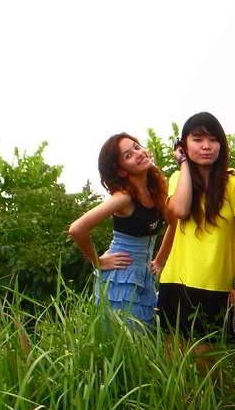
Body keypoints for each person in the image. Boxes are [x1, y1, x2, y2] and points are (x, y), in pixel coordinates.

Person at [154, 112, 235, 346]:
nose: (206, 146)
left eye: (213, 139)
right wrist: (183, 164)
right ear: (183, 145)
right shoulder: (177, 179)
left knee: (210, 363)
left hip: (217, 284)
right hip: (176, 282)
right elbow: (178, 211)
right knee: (174, 361)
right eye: (197, 140)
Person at [68, 133, 167, 330]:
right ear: (121, 171)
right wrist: (97, 261)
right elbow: (77, 229)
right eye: (128, 155)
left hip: (143, 276)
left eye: (137, 147)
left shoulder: (156, 190)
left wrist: (161, 259)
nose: (138, 153)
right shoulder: (123, 198)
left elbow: (175, 222)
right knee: (129, 340)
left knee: (146, 337)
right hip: (120, 278)